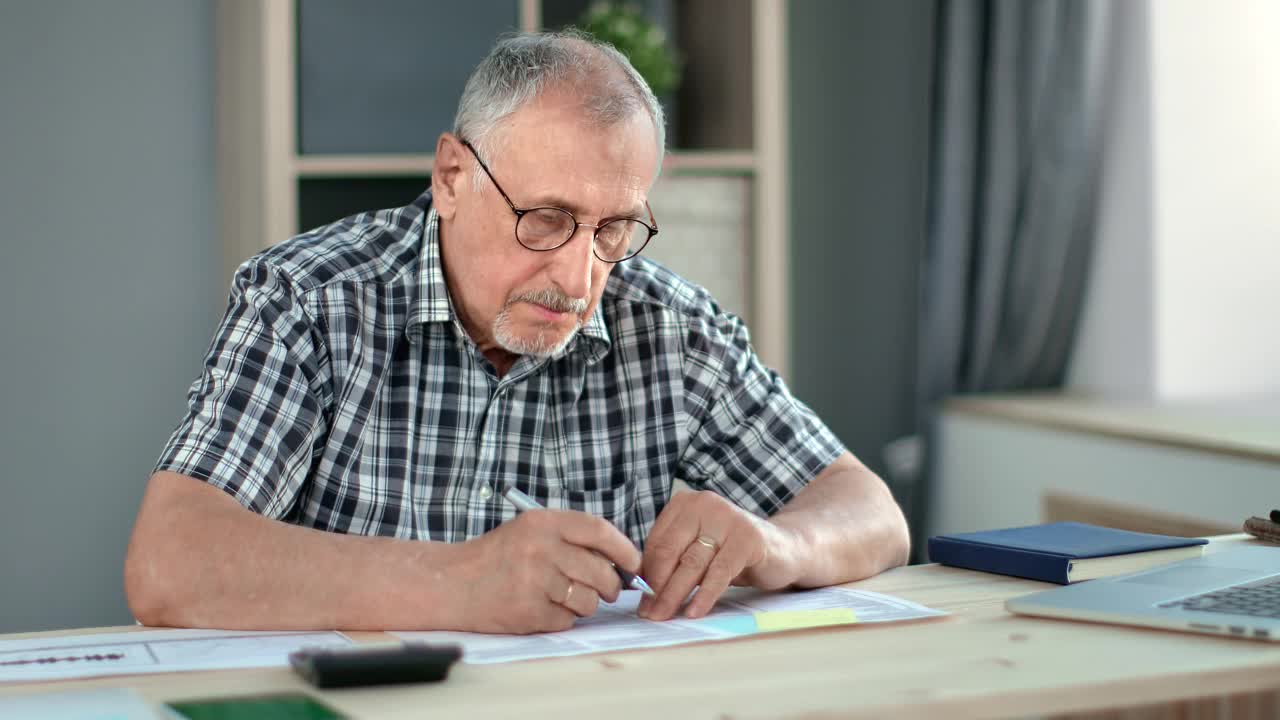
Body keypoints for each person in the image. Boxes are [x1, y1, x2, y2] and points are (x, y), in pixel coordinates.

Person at [124, 31, 909, 634]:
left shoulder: (673, 331)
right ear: (452, 179)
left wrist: (774, 548)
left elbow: (869, 512)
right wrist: (462, 581)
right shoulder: (313, 301)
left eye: (612, 231)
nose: (579, 279)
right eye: (547, 219)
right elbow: (171, 560)